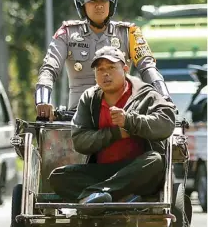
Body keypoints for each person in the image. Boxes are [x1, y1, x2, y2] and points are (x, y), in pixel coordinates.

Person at [36, 0, 172, 121]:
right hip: (78, 118)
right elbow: (49, 68)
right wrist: (42, 101)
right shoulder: (66, 33)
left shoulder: (130, 33)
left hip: (122, 117)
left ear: (111, 3)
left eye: (104, 0)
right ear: (81, 4)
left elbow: (148, 68)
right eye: (92, 1)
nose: (99, 6)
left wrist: (164, 98)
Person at [49, 45, 176, 204]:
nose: (105, 73)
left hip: (137, 170)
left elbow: (166, 124)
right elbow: (79, 141)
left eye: (111, 67)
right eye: (100, 69)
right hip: (104, 170)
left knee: (155, 161)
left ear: (125, 68)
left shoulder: (146, 94)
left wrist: (130, 121)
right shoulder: (90, 98)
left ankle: (97, 195)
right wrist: (116, 133)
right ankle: (118, 195)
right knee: (58, 177)